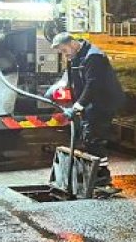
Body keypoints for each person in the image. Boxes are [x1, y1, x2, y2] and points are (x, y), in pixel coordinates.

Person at [51, 32, 126, 196]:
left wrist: (78, 106)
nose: (65, 55)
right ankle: (94, 176)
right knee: (87, 137)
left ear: (72, 43)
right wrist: (59, 86)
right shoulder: (78, 55)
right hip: (91, 103)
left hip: (102, 103)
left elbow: (93, 85)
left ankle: (103, 180)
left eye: (64, 50)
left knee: (94, 139)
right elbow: (72, 78)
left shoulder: (94, 57)